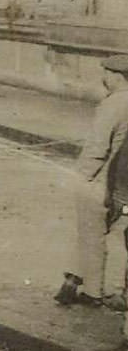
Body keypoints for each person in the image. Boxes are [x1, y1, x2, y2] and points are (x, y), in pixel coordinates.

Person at [55, 55, 128, 309]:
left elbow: (98, 147)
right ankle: (75, 282)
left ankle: (93, 293)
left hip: (101, 181)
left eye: (106, 73)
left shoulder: (113, 104)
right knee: (116, 233)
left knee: (91, 234)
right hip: (124, 188)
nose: (104, 78)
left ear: (117, 76)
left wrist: (80, 177)